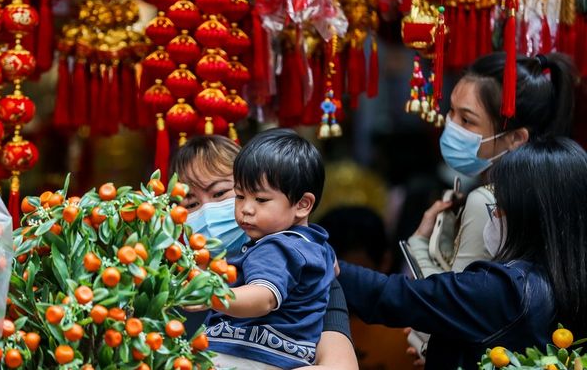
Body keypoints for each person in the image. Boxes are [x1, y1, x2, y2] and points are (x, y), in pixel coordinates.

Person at [338, 137, 587, 370]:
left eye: (500, 205)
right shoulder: (567, 282)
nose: (495, 214)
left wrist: (324, 262)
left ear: (528, 214)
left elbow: (397, 296)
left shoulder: (508, 290)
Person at [170, 134, 358, 370]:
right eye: (191, 204)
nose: (246, 209)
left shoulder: (284, 253)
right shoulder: (165, 277)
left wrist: (212, 295)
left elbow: (340, 367)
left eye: (219, 194)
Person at [409, 52, 576, 276]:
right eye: (451, 111)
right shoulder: (547, 193)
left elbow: (450, 304)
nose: (451, 125)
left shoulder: (486, 203)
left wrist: (419, 242)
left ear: (516, 138)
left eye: (467, 120)